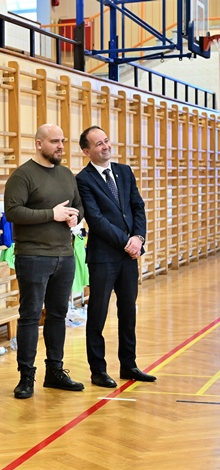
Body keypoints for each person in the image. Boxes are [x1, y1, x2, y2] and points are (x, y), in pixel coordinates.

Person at [4, 124, 85, 400]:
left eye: (62, 141)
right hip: (33, 256)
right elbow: (13, 212)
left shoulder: (66, 174)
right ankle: (26, 377)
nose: (60, 146)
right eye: (54, 141)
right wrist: (52, 214)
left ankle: (55, 372)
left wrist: (75, 217)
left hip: (64, 255)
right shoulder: (23, 175)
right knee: (30, 316)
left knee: (58, 315)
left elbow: (79, 205)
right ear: (39, 144)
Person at [75, 126, 156, 386]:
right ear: (87, 151)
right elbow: (95, 219)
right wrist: (127, 242)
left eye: (106, 141)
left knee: (128, 312)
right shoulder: (83, 179)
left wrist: (138, 238)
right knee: (97, 315)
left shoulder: (124, 171)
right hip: (103, 258)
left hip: (129, 256)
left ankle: (129, 365)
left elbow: (137, 207)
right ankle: (98, 370)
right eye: (98, 144)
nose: (105, 146)